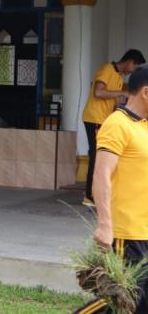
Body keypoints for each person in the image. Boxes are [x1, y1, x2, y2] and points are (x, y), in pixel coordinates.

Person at [77, 66, 148, 313]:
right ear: (146, 93)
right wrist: (105, 225)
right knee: (120, 302)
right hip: (127, 235)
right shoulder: (117, 124)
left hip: (146, 232)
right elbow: (101, 174)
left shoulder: (145, 127)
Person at [81, 49, 145, 206]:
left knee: (105, 156)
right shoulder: (107, 70)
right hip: (95, 118)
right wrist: (121, 93)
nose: (133, 70)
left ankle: (99, 194)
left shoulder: (118, 76)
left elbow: (113, 98)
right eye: (135, 66)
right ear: (129, 61)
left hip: (103, 120)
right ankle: (90, 196)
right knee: (97, 157)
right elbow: (98, 92)